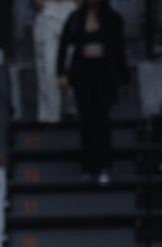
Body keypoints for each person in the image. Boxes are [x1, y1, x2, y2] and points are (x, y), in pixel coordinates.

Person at [57, 0, 128, 185]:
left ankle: (104, 166)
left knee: (102, 120)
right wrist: (61, 73)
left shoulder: (113, 19)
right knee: (86, 120)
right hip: (83, 74)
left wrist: (124, 78)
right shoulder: (75, 19)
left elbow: (120, 50)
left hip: (104, 74)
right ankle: (87, 166)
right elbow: (64, 46)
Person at [35, 0, 79, 123]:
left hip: (71, 10)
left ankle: (72, 110)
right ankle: (51, 116)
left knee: (74, 66)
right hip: (47, 12)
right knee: (49, 71)